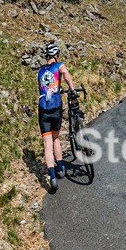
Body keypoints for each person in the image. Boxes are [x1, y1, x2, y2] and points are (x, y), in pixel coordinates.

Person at [38, 42, 75, 192]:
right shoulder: (59, 65)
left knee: (47, 144)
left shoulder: (40, 70)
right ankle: (60, 169)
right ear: (56, 55)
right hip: (56, 108)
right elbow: (65, 74)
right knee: (56, 139)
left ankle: (52, 177)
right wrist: (72, 89)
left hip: (43, 110)